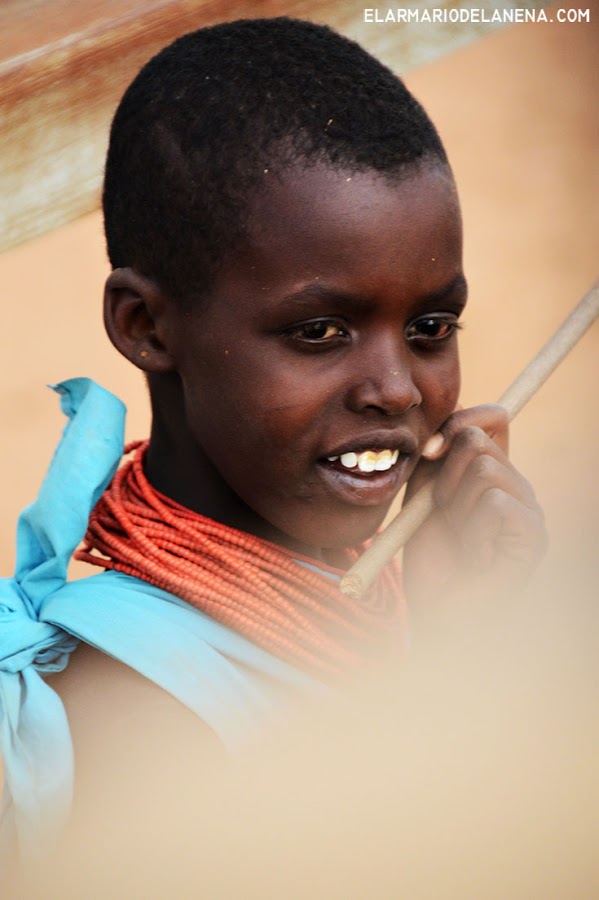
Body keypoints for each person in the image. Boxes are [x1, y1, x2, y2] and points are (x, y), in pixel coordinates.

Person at [0, 16, 546, 870]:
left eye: (431, 326)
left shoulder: (409, 590)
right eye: (319, 331)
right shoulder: (144, 732)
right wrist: (451, 668)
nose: (397, 389)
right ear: (145, 326)